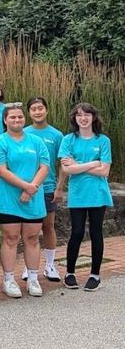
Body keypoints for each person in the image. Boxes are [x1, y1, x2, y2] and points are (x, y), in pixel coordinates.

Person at [0, 103, 49, 298]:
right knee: (11, 238)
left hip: (33, 197)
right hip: (8, 199)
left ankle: (33, 278)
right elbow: (1, 169)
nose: (17, 120)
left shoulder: (36, 141)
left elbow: (44, 166)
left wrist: (31, 189)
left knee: (32, 238)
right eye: (12, 117)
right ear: (5, 120)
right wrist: (25, 187)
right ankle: (8, 279)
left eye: (20, 117)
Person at [59, 103, 112, 292]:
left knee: (96, 233)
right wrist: (93, 163)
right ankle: (70, 273)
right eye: (79, 115)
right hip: (77, 193)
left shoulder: (103, 140)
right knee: (77, 232)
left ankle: (95, 274)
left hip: (98, 193)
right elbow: (66, 169)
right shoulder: (68, 140)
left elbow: (104, 171)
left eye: (87, 115)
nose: (83, 118)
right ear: (74, 118)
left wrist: (78, 165)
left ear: (93, 117)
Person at [22, 97, 65, 283]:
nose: (37, 112)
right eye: (33, 109)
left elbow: (62, 163)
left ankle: (49, 265)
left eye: (40, 108)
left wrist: (59, 187)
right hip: (27, 187)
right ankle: (28, 265)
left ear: (46, 110)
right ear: (29, 112)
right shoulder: (22, 133)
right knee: (28, 229)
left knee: (48, 226)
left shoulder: (56, 135)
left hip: (47, 187)